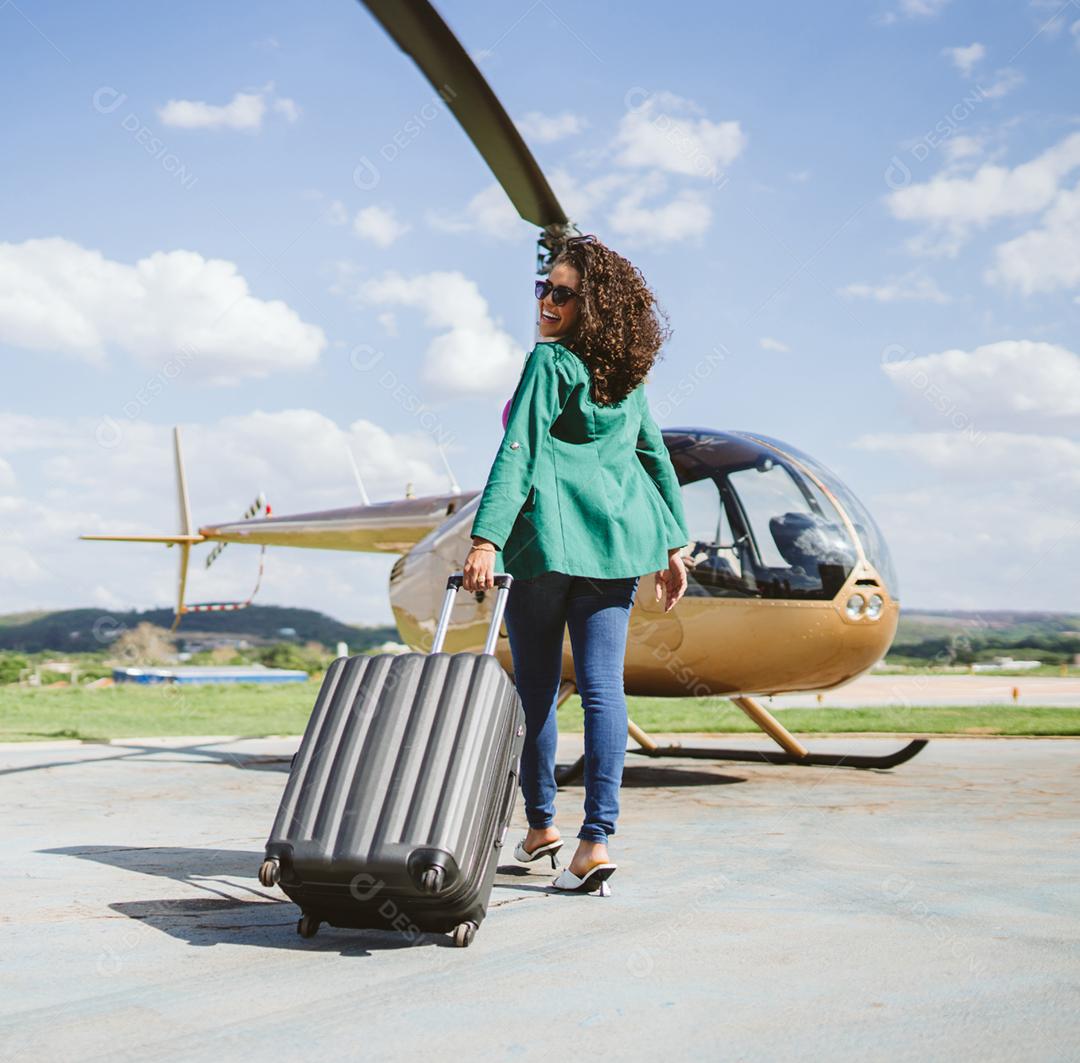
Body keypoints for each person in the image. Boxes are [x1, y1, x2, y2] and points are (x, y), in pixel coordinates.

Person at [463, 234, 689, 895]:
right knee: (602, 688)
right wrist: (673, 542)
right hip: (617, 545)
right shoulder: (628, 377)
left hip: (548, 548)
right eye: (543, 288)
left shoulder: (550, 363)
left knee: (536, 692)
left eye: (562, 293)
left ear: (592, 304)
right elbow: (655, 456)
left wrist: (486, 538)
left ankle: (542, 827)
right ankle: (596, 841)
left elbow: (520, 451)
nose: (547, 302)